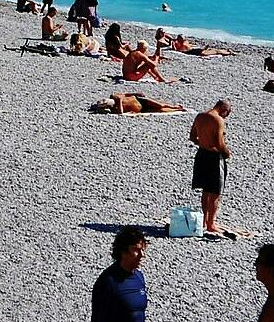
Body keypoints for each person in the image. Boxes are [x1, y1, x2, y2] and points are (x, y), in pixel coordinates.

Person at [191, 100, 234, 237]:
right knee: (215, 191)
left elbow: (192, 136)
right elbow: (219, 142)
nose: (226, 116)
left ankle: (204, 221)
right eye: (227, 113)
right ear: (223, 109)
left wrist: (203, 143)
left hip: (201, 154)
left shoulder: (200, 116)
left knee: (205, 189)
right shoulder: (218, 120)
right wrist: (226, 153)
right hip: (214, 157)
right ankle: (211, 224)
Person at [91, 93, 186, 115]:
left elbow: (126, 94)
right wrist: (119, 101)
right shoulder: (115, 109)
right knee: (160, 110)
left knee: (160, 105)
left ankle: (175, 107)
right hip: (140, 108)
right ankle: (175, 109)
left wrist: (135, 93)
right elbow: (121, 113)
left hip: (139, 100)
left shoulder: (114, 96)